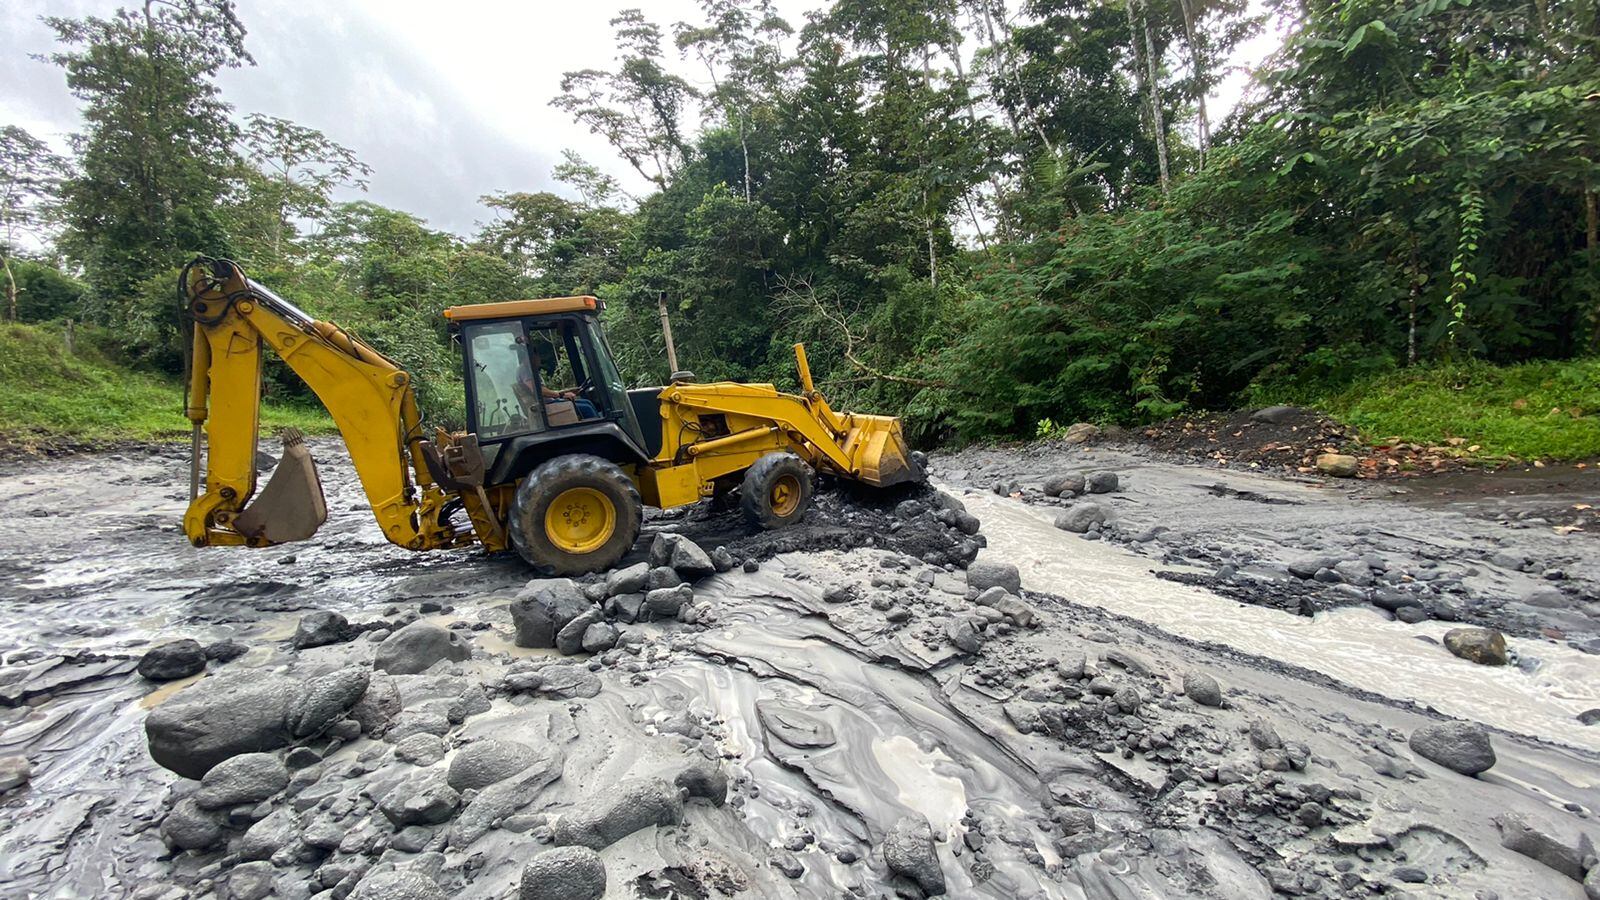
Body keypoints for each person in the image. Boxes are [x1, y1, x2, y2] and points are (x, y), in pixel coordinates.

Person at [518, 344, 598, 420]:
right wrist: (561, 395)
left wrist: (566, 391)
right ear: (532, 356)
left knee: (587, 402)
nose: (540, 359)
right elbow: (537, 390)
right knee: (587, 409)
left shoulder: (530, 370)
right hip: (546, 407)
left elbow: (543, 390)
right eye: (538, 355)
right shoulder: (525, 370)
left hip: (549, 402)